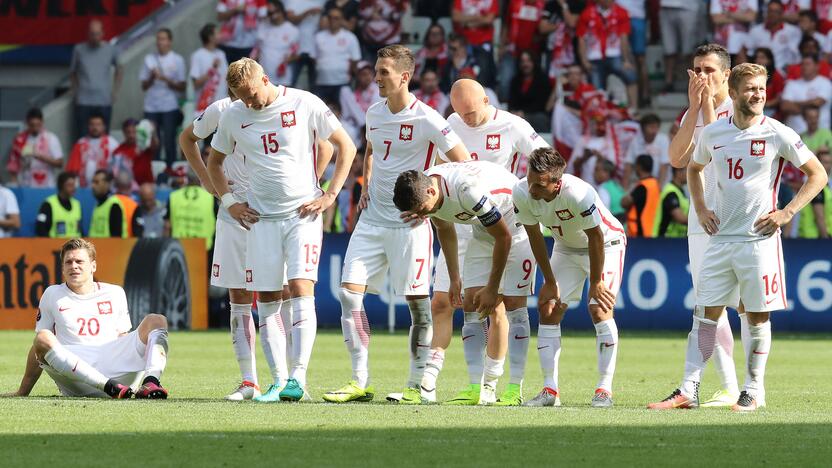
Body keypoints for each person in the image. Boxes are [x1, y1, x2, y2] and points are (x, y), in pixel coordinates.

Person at [650, 62, 828, 411]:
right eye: (750, 88)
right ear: (732, 93)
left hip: (758, 241)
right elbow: (693, 167)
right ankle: (689, 389)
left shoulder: (777, 132)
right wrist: (700, 208)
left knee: (757, 315)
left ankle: (753, 390)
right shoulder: (714, 133)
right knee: (704, 315)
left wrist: (787, 212)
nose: (758, 94)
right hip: (719, 239)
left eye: (761, 88)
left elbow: (817, 175)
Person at [322, 45, 469, 404]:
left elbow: (463, 165)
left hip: (409, 225)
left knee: (417, 306)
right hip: (372, 221)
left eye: (384, 72)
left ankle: (417, 386)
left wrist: (430, 205)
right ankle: (359, 381)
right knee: (348, 294)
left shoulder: (429, 119)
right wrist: (367, 186)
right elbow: (371, 150)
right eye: (376, 71)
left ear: (404, 77)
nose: (376, 78)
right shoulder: (373, 113)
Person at [209, 58, 356, 401]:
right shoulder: (234, 115)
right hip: (261, 220)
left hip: (301, 215)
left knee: (301, 286)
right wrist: (230, 201)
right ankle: (276, 381)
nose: (249, 102)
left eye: (252, 94)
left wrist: (330, 194)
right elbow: (214, 162)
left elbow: (345, 146)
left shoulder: (304, 102)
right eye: (241, 97)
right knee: (269, 297)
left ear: (265, 78)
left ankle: (298, 379)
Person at [423, 79, 548, 406]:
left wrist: (526, 194)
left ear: (486, 100)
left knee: (512, 307)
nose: (467, 119)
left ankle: (513, 386)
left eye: (472, 113)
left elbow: (546, 160)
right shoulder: (450, 123)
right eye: (461, 114)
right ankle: (474, 383)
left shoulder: (513, 125)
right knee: (469, 303)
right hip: (465, 222)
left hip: (505, 217)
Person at [393, 160, 529, 405]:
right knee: (471, 306)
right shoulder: (426, 191)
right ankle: (475, 388)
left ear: (432, 192)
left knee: (504, 305)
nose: (422, 215)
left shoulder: (467, 190)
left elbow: (503, 237)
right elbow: (444, 229)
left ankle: (492, 385)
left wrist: (492, 287)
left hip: (514, 226)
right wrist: (455, 278)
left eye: (423, 210)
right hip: (481, 229)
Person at [513, 147, 626, 408]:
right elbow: (535, 236)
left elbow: (596, 236)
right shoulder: (521, 192)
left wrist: (596, 281)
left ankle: (604, 390)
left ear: (557, 183)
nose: (532, 190)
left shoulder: (578, 193)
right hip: (565, 247)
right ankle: (550, 390)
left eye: (539, 185)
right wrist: (549, 280)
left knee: (599, 308)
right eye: (530, 181)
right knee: (548, 307)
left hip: (607, 245)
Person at [667, 44, 743, 407]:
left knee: (746, 306)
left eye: (710, 70)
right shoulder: (693, 111)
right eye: (697, 69)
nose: (702, 77)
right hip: (702, 222)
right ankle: (728, 386)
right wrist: (695, 107)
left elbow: (719, 150)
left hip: (737, 222)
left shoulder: (740, 110)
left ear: (727, 75)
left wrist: (705, 106)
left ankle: (749, 389)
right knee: (709, 304)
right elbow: (676, 158)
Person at [3, 239, 169, 399]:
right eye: (68, 262)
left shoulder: (115, 292)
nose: (74, 266)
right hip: (76, 377)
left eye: (79, 261)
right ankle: (106, 385)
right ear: (62, 268)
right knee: (42, 337)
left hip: (115, 368)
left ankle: (151, 382)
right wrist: (22, 391)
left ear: (93, 266)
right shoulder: (52, 294)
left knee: (156, 320)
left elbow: (122, 338)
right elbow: (38, 349)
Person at [576, 0, 637, 109]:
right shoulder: (587, 13)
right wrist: (584, 61)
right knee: (597, 89)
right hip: (594, 57)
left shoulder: (621, 12)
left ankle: (633, 108)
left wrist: (626, 60)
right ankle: (600, 115)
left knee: (630, 76)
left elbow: (624, 37)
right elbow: (581, 38)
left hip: (615, 55)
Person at [140, 29, 186, 169]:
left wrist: (165, 78)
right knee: (153, 141)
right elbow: (144, 86)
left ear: (170, 41)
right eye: (158, 39)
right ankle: (155, 171)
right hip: (151, 106)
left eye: (163, 39)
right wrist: (152, 77)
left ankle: (171, 171)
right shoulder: (149, 59)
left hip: (169, 106)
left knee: (169, 140)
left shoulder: (177, 60)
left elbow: (182, 86)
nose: (160, 42)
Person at [70, 20, 122, 139]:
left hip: (103, 100)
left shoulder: (110, 49)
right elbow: (73, 72)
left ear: (103, 33)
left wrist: (115, 91)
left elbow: (119, 69)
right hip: (84, 101)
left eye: (97, 34)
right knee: (83, 137)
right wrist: (75, 91)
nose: (95, 37)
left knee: (104, 138)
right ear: (88, 34)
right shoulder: (79, 49)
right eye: (92, 34)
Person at [312, 6, 362, 103]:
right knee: (319, 113)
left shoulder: (350, 37)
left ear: (342, 20)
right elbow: (314, 58)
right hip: (322, 82)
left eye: (336, 18)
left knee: (343, 114)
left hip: (342, 82)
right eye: (330, 17)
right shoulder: (318, 37)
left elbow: (355, 60)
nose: (332, 20)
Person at [6, 108, 63, 188]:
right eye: (32, 125)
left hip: (47, 185)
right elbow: (13, 165)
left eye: (38, 125)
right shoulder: (19, 139)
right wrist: (15, 183)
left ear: (42, 122)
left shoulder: (51, 138)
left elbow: (60, 163)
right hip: (26, 185)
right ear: (27, 123)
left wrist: (40, 157)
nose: (35, 128)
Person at [251, 1, 299, 86]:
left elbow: (297, 55)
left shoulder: (293, 30)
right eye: (270, 13)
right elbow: (256, 50)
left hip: (283, 78)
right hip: (263, 78)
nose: (273, 15)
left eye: (275, 12)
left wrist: (287, 61)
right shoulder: (263, 26)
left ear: (282, 12)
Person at [780, 54, 832, 134]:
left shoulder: (825, 83)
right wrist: (809, 107)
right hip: (794, 135)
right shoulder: (791, 84)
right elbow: (785, 106)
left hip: (819, 136)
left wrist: (794, 104)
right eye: (802, 64)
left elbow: (817, 102)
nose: (804, 67)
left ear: (817, 66)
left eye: (808, 64)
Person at [743, 1, 801, 70]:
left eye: (776, 11)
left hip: (782, 73)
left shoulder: (793, 31)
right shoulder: (755, 31)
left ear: (782, 13)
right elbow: (746, 51)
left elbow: (796, 56)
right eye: (770, 11)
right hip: (760, 72)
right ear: (766, 12)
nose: (773, 14)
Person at [165, 172, 217, 250]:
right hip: (204, 248)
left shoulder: (174, 196)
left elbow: (167, 225)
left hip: (179, 246)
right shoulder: (210, 197)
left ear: (186, 180)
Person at [65, 114, 120, 188]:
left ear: (104, 127)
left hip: (105, 187)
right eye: (92, 124)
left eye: (98, 124)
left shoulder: (112, 143)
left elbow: (117, 168)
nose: (95, 127)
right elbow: (72, 169)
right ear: (88, 126)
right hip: (83, 188)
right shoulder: (80, 143)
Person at [658, 0, 699, 92]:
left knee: (689, 49)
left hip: (688, 7)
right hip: (665, 7)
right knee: (668, 49)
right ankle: (669, 82)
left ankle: (693, 81)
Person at [191, 24, 229, 116]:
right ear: (210, 37)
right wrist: (212, 70)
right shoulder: (198, 56)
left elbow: (227, 79)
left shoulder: (221, 54)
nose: (220, 35)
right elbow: (196, 84)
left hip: (222, 108)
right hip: (204, 109)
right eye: (217, 33)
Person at [508, 50, 552, 132]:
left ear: (533, 62)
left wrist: (523, 113)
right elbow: (512, 101)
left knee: (540, 119)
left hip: (536, 114)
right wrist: (514, 112)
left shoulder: (543, 79)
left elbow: (542, 103)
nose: (525, 64)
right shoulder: (515, 80)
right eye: (523, 61)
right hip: (518, 114)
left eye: (528, 61)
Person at [623, 113, 670, 188]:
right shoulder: (635, 142)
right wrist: (624, 187)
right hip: (642, 184)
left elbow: (664, 166)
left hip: (660, 184)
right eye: (651, 127)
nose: (654, 131)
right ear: (643, 128)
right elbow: (628, 165)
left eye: (656, 127)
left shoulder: (663, 140)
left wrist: (659, 187)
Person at [621, 154, 659, 237]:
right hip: (652, 229)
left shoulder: (642, 186)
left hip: (640, 231)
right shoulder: (655, 183)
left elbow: (624, 203)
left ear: (639, 166)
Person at [111, 119, 157, 186]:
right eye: (128, 132)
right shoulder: (118, 151)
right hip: (126, 188)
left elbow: (155, 145)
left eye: (134, 132)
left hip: (147, 187)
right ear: (124, 132)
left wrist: (152, 131)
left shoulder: (146, 146)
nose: (131, 135)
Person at [35, 172, 82, 238]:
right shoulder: (48, 204)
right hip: (56, 246)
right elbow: (40, 228)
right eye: (69, 185)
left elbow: (79, 229)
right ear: (61, 186)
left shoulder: (77, 204)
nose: (73, 188)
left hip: (77, 246)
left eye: (74, 185)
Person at [798, 150, 832, 238]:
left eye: (830, 162)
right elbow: (819, 217)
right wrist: (826, 241)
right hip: (813, 238)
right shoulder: (817, 186)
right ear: (818, 163)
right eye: (825, 162)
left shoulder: (825, 186)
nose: (828, 166)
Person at [339, 60, 381, 130]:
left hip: (372, 125)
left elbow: (375, 114)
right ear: (357, 76)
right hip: (356, 125)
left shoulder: (377, 90)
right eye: (364, 74)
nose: (367, 77)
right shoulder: (354, 90)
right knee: (344, 90)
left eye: (369, 73)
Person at [89, 170, 126, 239]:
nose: (93, 186)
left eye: (96, 182)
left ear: (107, 184)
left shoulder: (114, 205)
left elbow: (116, 239)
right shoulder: (98, 205)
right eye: (93, 182)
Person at [654, 166, 688, 237]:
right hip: (665, 240)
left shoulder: (680, 191)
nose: (689, 174)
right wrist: (699, 221)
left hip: (676, 239)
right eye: (687, 170)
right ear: (678, 172)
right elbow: (679, 217)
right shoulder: (670, 192)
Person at [754, 47, 786, 117]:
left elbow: (779, 98)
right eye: (757, 57)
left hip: (771, 111)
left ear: (769, 60)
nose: (758, 60)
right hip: (755, 108)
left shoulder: (777, 76)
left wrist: (764, 104)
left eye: (762, 58)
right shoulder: (752, 75)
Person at [593, 158, 626, 224]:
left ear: (606, 173)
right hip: (624, 228)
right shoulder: (617, 186)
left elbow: (603, 214)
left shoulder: (603, 189)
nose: (594, 173)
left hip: (614, 229)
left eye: (597, 170)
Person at [113, 172, 138, 237]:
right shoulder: (134, 205)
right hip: (129, 244)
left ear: (116, 185)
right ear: (130, 185)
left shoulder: (107, 203)